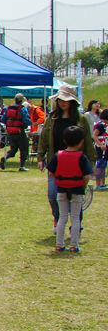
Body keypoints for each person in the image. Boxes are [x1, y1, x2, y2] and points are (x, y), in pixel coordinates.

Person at [37, 84, 97, 230]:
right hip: (56, 162)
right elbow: (44, 138)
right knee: (52, 195)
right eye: (59, 99)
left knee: (75, 196)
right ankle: (57, 218)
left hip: (76, 162)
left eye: (65, 99)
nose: (61, 102)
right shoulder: (52, 118)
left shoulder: (81, 119)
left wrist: (91, 162)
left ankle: (76, 224)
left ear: (72, 101)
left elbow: (87, 141)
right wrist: (40, 157)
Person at [47, 126, 92, 252]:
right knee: (75, 217)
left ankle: (59, 244)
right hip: (77, 189)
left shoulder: (58, 155)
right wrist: (83, 184)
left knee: (62, 217)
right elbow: (87, 176)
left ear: (64, 141)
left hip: (62, 188)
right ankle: (74, 245)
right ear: (81, 141)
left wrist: (60, 179)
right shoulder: (82, 157)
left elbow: (51, 172)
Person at [0, 93, 32, 171]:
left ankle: (5, 157)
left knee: (13, 148)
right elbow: (26, 120)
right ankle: (21, 166)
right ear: (22, 100)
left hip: (10, 132)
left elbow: (3, 119)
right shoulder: (22, 109)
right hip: (20, 131)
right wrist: (31, 123)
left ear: (15, 99)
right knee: (24, 148)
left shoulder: (8, 108)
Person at [92, 111, 108, 189]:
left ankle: (102, 184)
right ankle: (98, 184)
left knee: (103, 165)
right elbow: (94, 136)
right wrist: (101, 145)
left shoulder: (106, 125)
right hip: (101, 148)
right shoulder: (100, 125)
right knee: (100, 165)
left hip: (106, 147)